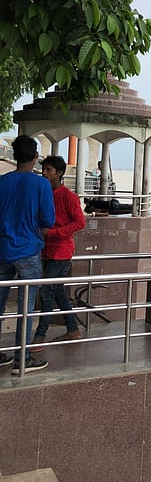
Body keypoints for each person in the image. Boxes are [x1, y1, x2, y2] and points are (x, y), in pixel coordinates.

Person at [0, 135, 54, 373]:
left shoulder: (2, 182)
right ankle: (22, 357)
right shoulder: (41, 184)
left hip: (2, 249)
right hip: (29, 250)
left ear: (14, 156)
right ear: (35, 157)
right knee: (26, 307)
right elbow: (48, 219)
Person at [32, 155, 86, 345]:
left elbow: (80, 222)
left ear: (59, 173)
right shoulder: (43, 193)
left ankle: (40, 335)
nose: (44, 173)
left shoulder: (68, 196)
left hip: (61, 252)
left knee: (47, 292)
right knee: (57, 291)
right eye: (43, 169)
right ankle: (72, 329)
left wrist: (54, 233)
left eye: (49, 170)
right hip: (46, 250)